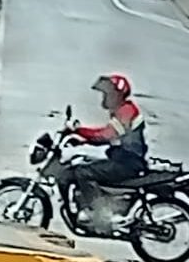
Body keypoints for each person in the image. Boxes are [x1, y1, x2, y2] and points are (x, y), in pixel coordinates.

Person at [59, 73, 148, 228]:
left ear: (118, 95)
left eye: (108, 94)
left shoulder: (126, 111)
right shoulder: (122, 110)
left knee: (83, 172)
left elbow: (105, 135)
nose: (104, 97)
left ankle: (101, 212)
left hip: (127, 163)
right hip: (121, 157)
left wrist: (79, 131)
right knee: (85, 161)